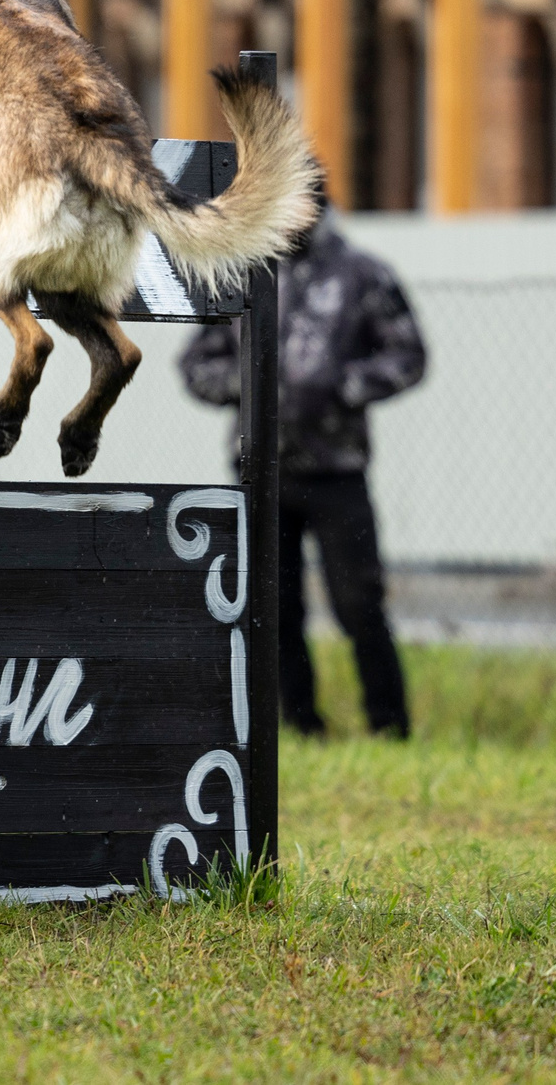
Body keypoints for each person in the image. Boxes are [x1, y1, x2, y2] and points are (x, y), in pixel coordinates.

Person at [182, 187, 425, 738]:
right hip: (259, 471)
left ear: (320, 205)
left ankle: (390, 727)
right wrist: (249, 386)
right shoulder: (240, 272)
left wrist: (342, 387)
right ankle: (298, 726)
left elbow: (408, 355)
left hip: (337, 470)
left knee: (359, 605)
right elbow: (197, 364)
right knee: (273, 607)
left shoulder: (362, 275)